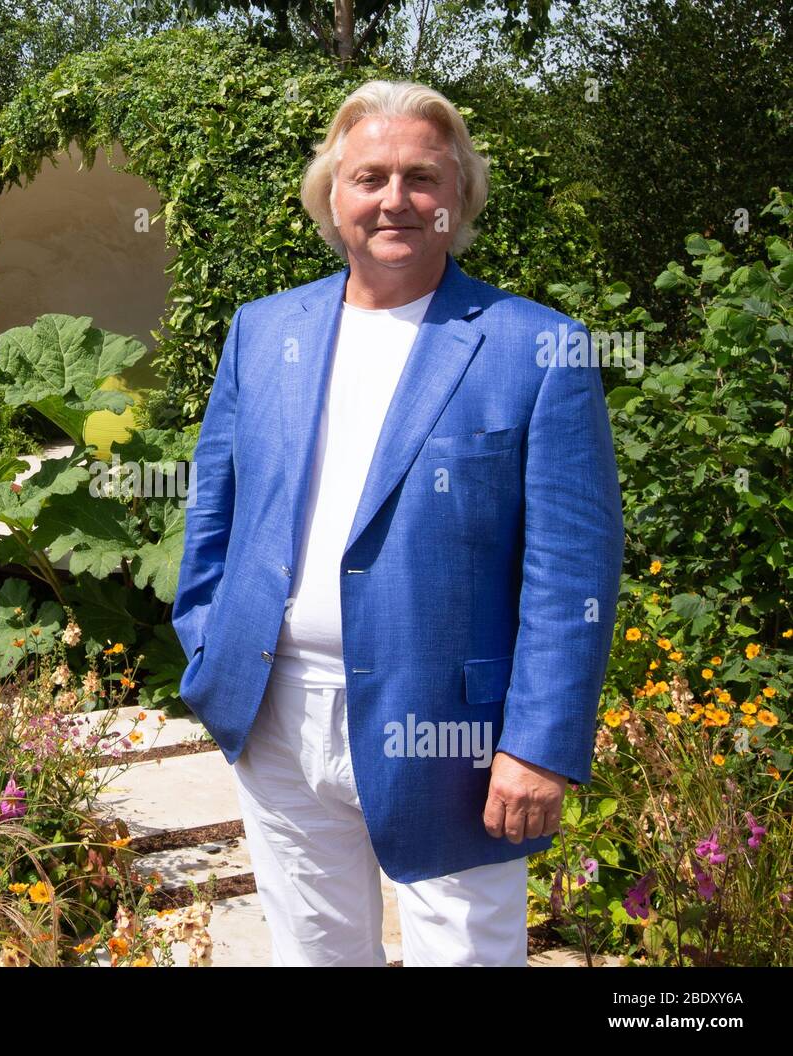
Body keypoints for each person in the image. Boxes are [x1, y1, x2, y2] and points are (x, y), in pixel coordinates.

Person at [171, 79, 625, 966]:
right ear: (331, 197)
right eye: (369, 176)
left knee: (467, 955)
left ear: (459, 198)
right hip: (274, 711)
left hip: (456, 733)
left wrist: (540, 745)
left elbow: (573, 566)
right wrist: (207, 645)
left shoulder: (537, 347)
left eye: (422, 177)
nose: (395, 200)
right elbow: (214, 511)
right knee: (315, 953)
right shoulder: (263, 332)